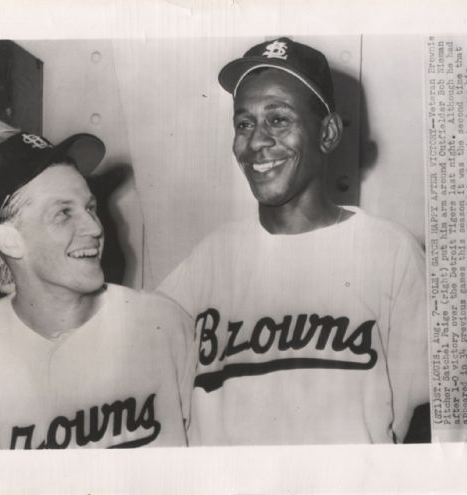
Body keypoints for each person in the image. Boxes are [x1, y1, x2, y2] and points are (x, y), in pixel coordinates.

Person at [157, 37, 430, 445]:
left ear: (329, 133)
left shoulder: (389, 252)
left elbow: (432, 422)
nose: (256, 141)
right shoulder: (210, 259)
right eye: (244, 123)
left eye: (279, 120)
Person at [0, 132, 193, 449]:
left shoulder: (165, 326)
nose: (95, 227)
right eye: (63, 213)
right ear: (10, 241)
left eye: (90, 208)